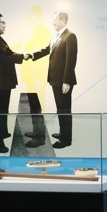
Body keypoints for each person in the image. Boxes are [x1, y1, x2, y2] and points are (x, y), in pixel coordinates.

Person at [28, 11, 78, 149]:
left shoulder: (70, 36)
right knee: (60, 109)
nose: (53, 23)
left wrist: (67, 81)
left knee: (65, 109)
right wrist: (33, 55)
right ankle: (63, 132)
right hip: (55, 79)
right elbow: (46, 50)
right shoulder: (56, 36)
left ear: (62, 20)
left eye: (55, 20)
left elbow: (71, 60)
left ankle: (66, 139)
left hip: (63, 81)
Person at [0, 13, 28, 153]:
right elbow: (8, 54)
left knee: (0, 113)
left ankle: (1, 134)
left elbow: (6, 53)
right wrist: (23, 56)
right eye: (3, 23)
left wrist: (19, 55)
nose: (4, 26)